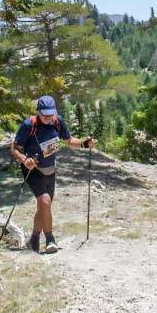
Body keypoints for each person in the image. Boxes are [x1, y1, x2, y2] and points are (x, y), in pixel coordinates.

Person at [11, 95, 95, 253]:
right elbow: (15, 148)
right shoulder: (29, 124)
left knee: (44, 206)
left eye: (50, 114)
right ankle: (50, 240)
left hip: (50, 169)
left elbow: (69, 141)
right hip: (32, 170)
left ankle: (33, 240)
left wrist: (84, 144)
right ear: (38, 111)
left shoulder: (57, 121)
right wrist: (24, 160)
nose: (48, 117)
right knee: (45, 201)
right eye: (45, 114)